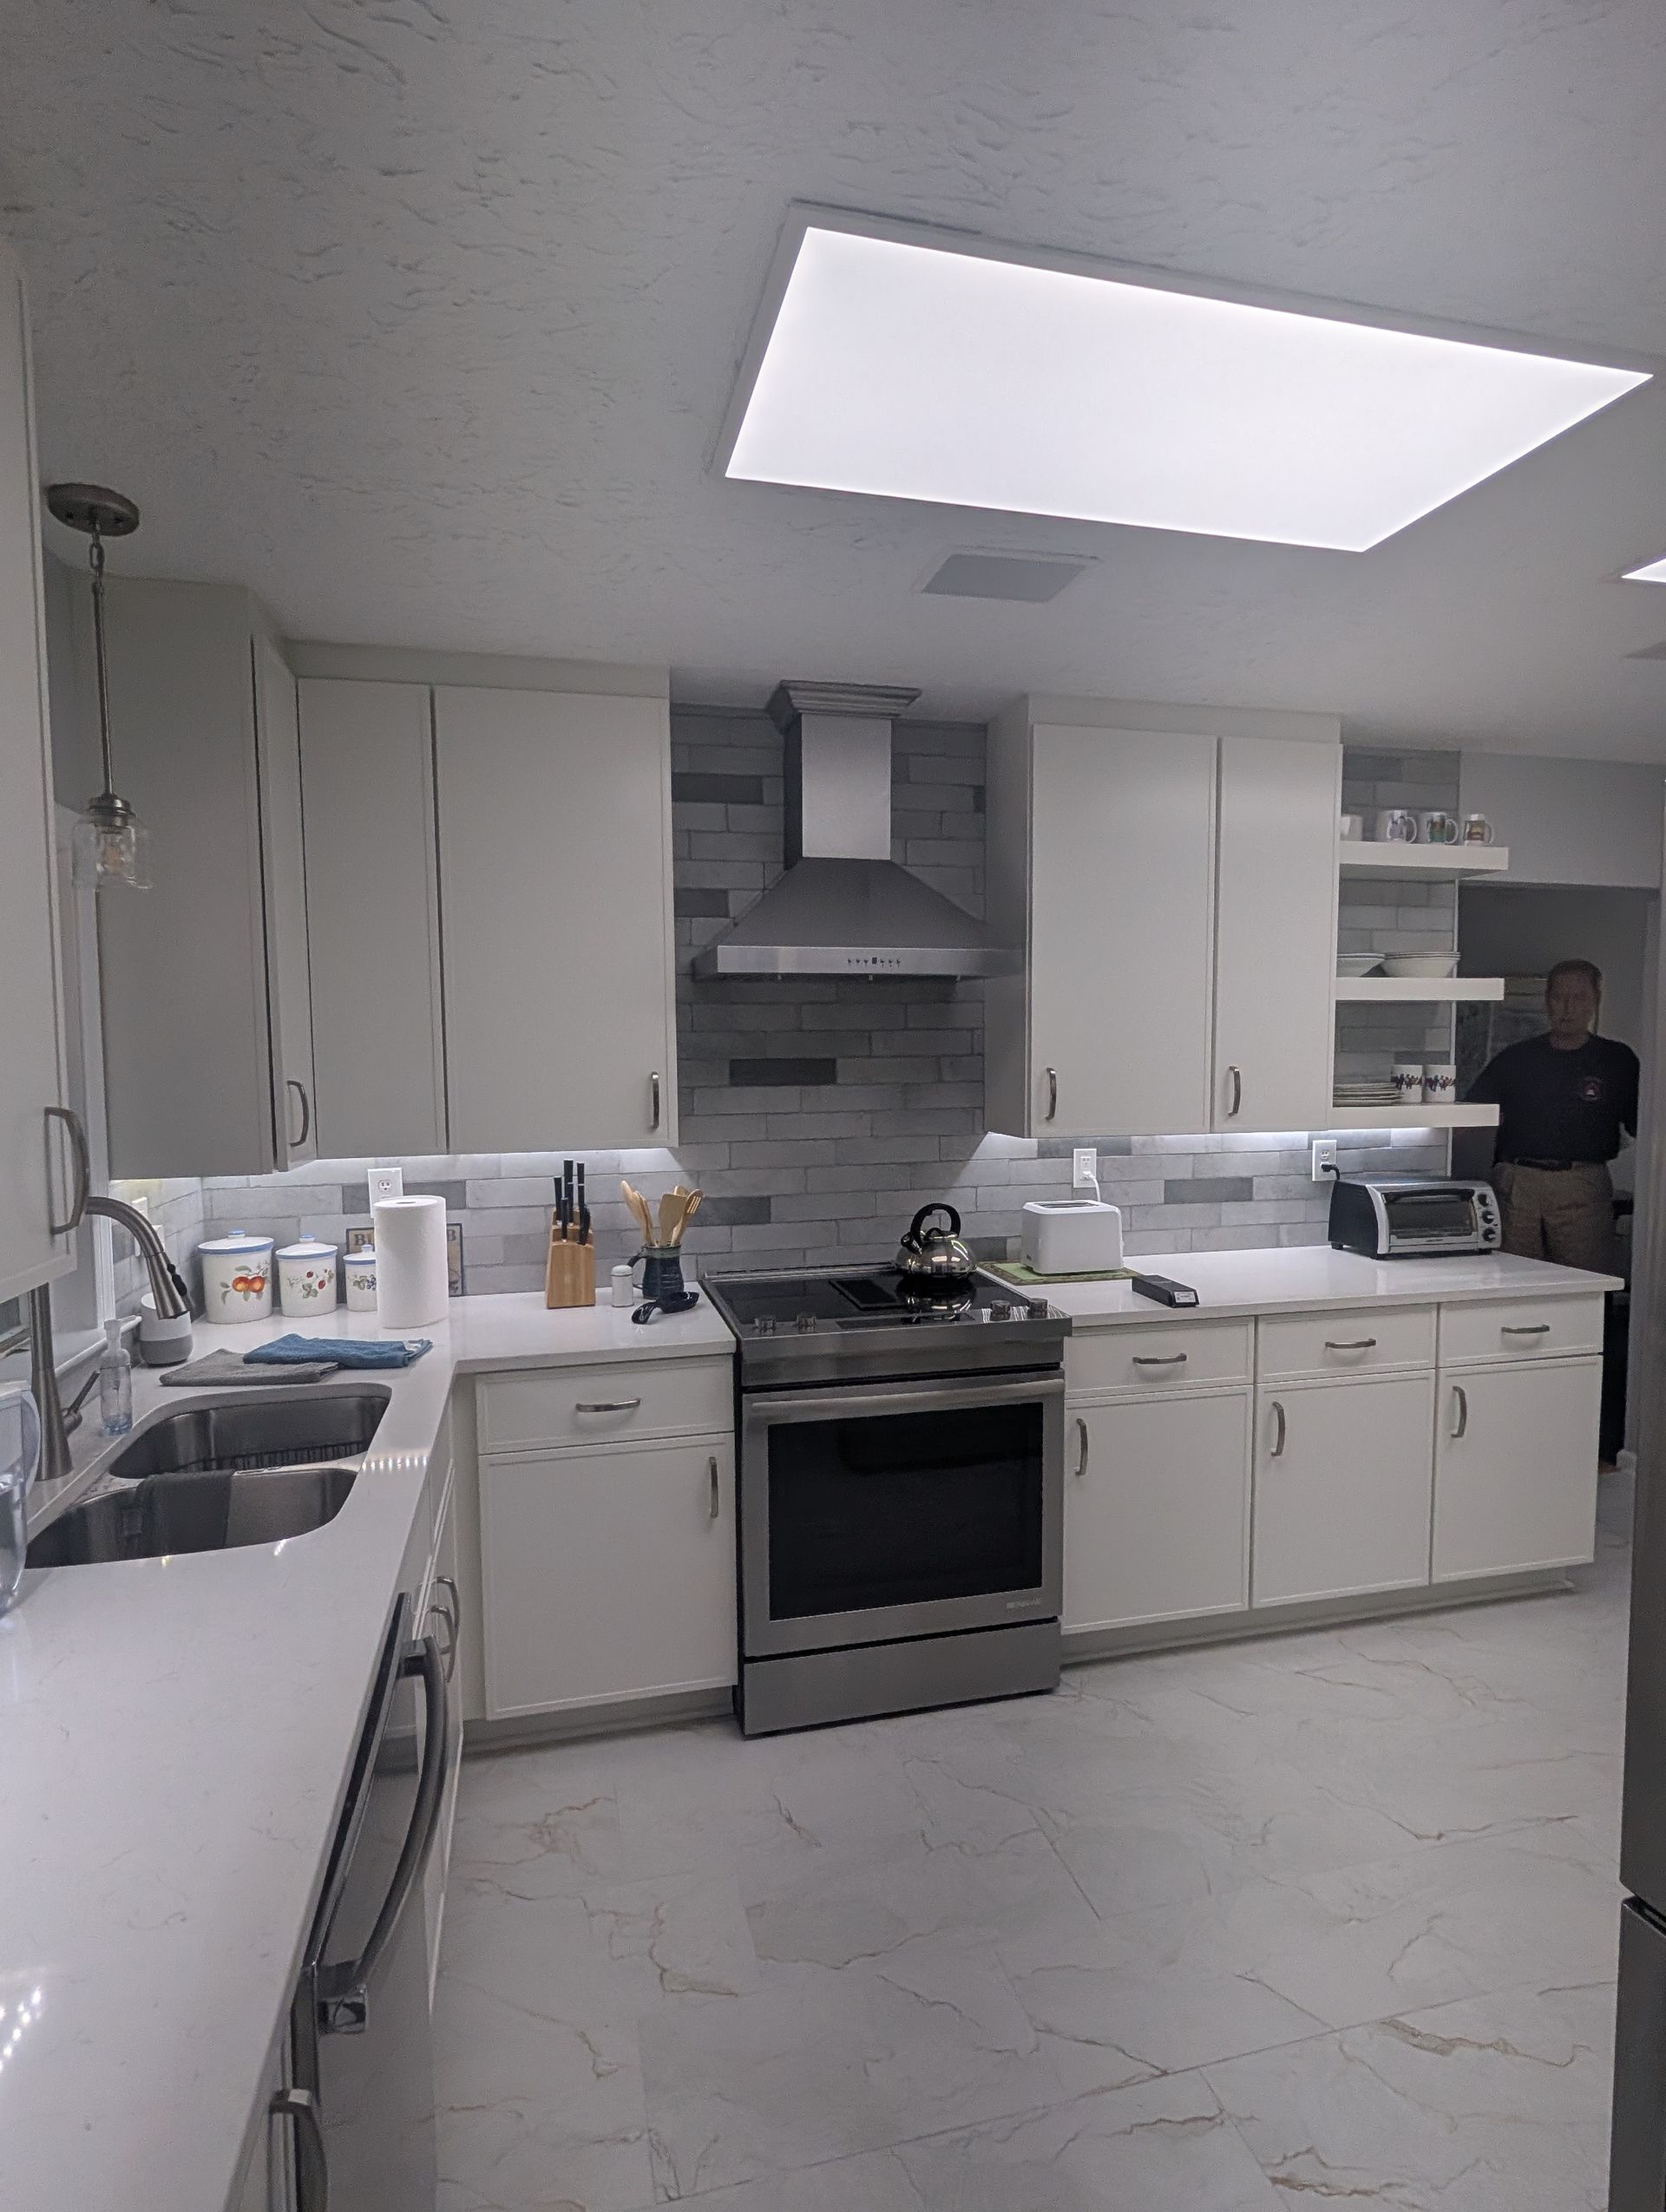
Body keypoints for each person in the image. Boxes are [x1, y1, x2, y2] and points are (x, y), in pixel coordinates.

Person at [1465, 958, 1638, 1273]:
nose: (1567, 1008)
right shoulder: (1517, 1057)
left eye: (1579, 998)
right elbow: (1470, 1114)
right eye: (1559, 997)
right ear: (1547, 1001)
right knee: (1514, 1278)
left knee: (1583, 1280)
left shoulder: (1616, 1060)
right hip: (1519, 1182)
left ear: (1595, 1000)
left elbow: (1644, 1125)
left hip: (1581, 1183)